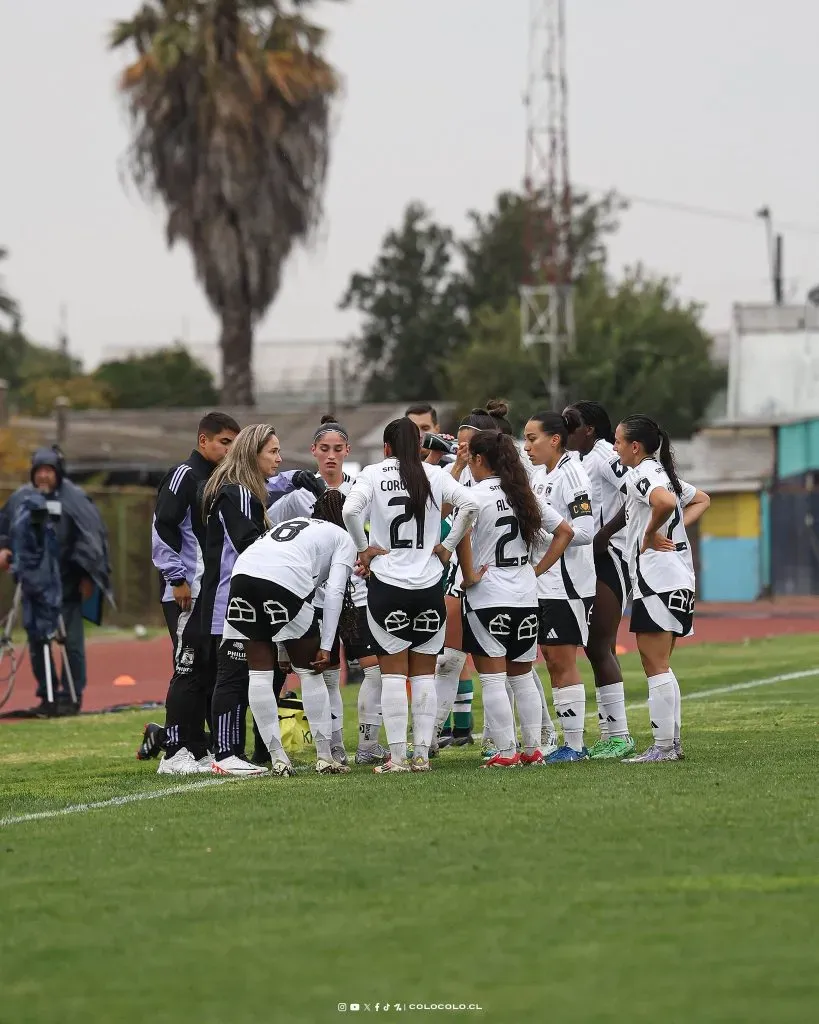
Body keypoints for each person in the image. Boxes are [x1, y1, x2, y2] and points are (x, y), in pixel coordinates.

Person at [180, 424, 324, 777]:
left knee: (253, 676)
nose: (278, 458)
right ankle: (226, 753)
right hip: (231, 600)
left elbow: (275, 485)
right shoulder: (237, 492)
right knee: (230, 677)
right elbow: (251, 543)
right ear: (252, 454)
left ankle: (244, 751)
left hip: (237, 597)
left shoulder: (242, 489)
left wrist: (297, 480)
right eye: (272, 452)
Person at [342, 417, 478, 773]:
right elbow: (471, 507)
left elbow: (349, 510)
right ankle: (421, 755)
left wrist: (364, 550)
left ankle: (398, 757)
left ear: (386, 447)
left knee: (392, 675)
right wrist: (447, 546)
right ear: (418, 447)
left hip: (388, 584)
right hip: (430, 584)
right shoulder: (434, 475)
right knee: (423, 675)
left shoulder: (372, 473)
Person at [268, 414, 388, 766]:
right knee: (328, 674)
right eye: (324, 449)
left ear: (348, 450)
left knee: (374, 669)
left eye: (338, 449)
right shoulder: (297, 497)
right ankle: (334, 746)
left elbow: (380, 531)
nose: (331, 455)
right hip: (317, 599)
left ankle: (368, 744)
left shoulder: (361, 489)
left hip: (360, 593)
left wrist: (370, 557)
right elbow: (272, 532)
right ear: (314, 451)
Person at [455, 429, 575, 767]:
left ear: (478, 459)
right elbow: (566, 532)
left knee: (493, 678)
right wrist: (536, 569)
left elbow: (458, 536)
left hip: (488, 594)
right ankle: (533, 749)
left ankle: (506, 752)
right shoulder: (523, 494)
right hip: (525, 593)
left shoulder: (473, 496)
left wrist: (468, 575)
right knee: (522, 677)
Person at [223, 489, 359, 776]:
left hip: (243, 574)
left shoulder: (299, 525)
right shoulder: (342, 537)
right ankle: (325, 758)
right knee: (310, 672)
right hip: (283, 580)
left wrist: (284, 649)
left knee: (259, 674)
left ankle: (278, 760)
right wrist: (325, 644)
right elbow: (332, 592)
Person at [140, 411, 240, 760]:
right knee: (189, 667)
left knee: (210, 669)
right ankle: (179, 749)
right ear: (203, 441)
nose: (229, 450)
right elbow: (161, 527)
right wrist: (176, 578)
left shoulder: (222, 478)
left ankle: (199, 746)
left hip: (210, 591)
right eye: (224, 442)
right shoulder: (183, 475)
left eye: (234, 444)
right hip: (187, 590)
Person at [610, 415, 710, 762]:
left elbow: (665, 504)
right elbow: (702, 500)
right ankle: (671, 743)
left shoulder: (642, 474)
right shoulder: (663, 474)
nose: (615, 447)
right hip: (678, 577)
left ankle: (664, 747)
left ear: (634, 447)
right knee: (661, 663)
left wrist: (652, 533)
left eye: (619, 441)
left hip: (658, 581)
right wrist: (668, 529)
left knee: (654, 663)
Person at [0, 446, 112, 715]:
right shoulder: (21, 498)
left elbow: (91, 538)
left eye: (49, 471)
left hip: (67, 583)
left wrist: (88, 575)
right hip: (33, 584)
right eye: (39, 471)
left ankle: (70, 696)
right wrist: (4, 549)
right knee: (38, 641)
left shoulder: (75, 499)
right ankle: (47, 696)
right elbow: (5, 527)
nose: (43, 476)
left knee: (71, 643)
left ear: (58, 473)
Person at [433, 401, 514, 757]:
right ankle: (431, 733)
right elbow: (441, 508)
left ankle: (513, 738)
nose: (462, 449)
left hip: (497, 579)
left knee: (505, 667)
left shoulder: (508, 476)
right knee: (449, 657)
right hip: (463, 576)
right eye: (460, 443)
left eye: (468, 444)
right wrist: (459, 464)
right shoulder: (464, 473)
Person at [564, 400, 636, 760]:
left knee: (599, 645)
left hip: (609, 559)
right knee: (594, 646)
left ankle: (619, 734)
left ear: (589, 429)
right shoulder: (576, 459)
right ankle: (611, 733)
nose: (564, 429)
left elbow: (637, 494)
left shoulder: (606, 455)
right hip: (586, 561)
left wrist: (604, 535)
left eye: (570, 423)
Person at [523, 410, 596, 763]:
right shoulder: (539, 474)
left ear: (554, 439)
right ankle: (565, 742)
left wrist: (546, 532)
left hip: (566, 584)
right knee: (550, 658)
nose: (527, 446)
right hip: (543, 582)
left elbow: (584, 531)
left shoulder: (573, 474)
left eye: (532, 438)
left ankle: (575, 744)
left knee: (562, 658)